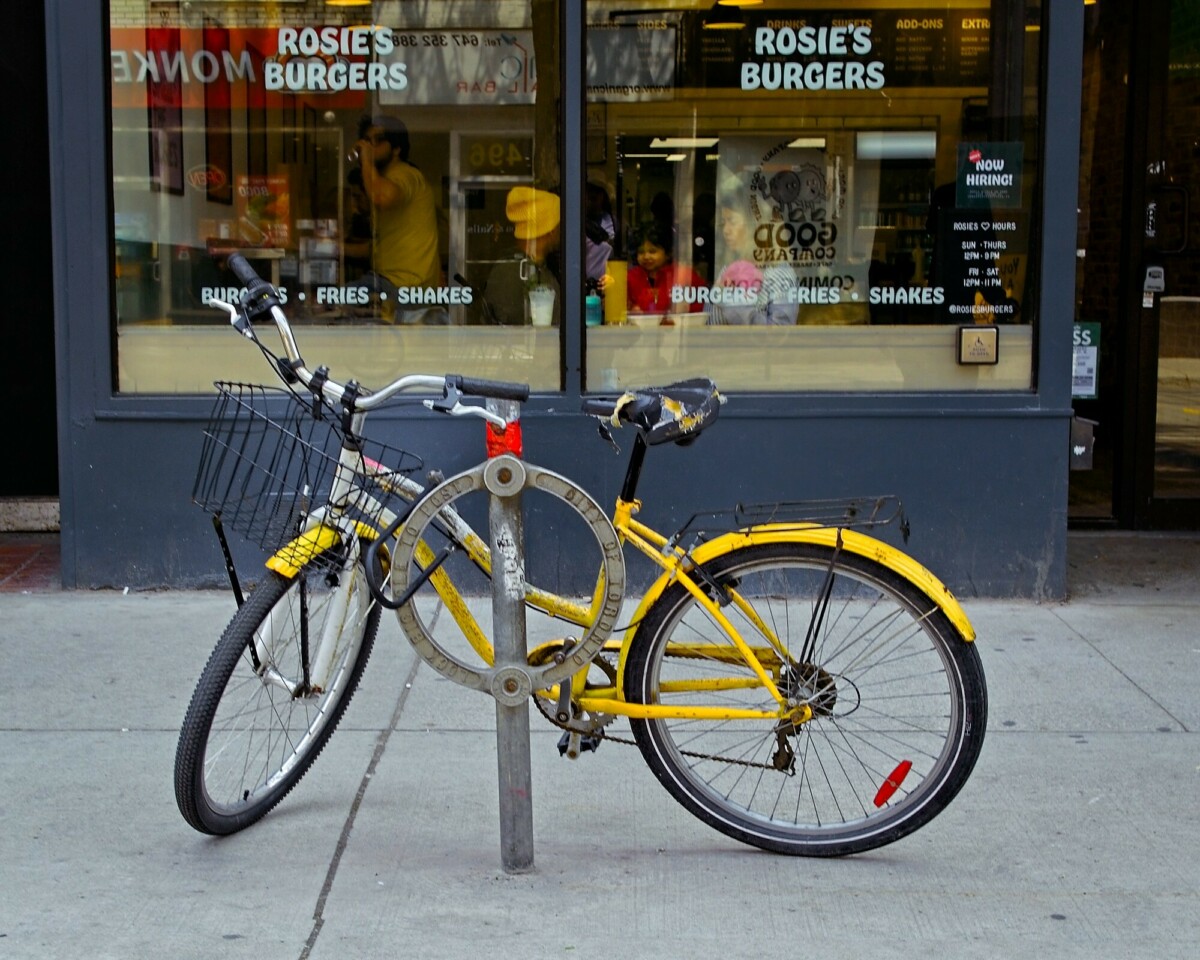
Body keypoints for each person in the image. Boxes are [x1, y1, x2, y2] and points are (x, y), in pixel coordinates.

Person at [350, 115, 442, 322]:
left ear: (397, 149)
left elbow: (382, 197)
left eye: (378, 140)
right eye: (366, 139)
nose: (370, 145)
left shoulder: (405, 175)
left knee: (335, 300)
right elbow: (383, 247)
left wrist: (365, 160)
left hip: (403, 284)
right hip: (395, 283)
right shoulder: (385, 179)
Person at [478, 186, 562, 326]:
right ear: (550, 230)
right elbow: (513, 331)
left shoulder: (541, 267)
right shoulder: (511, 272)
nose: (561, 230)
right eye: (559, 224)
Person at [710, 196, 798, 325]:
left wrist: (728, 300)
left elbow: (778, 335)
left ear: (756, 226)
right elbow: (710, 326)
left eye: (732, 222)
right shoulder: (727, 270)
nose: (725, 230)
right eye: (724, 223)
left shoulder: (779, 274)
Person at [625, 223, 704, 316]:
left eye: (652, 251)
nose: (646, 256)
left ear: (668, 253)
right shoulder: (631, 276)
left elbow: (696, 307)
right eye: (641, 252)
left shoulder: (683, 274)